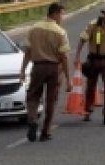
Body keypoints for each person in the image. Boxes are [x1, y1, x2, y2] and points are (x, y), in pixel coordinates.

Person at [20, 2, 71, 142]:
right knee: (51, 100)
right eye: (62, 14)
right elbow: (64, 57)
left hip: (38, 67)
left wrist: (23, 70)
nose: (63, 17)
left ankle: (32, 119)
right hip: (54, 69)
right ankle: (45, 132)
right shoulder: (60, 32)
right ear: (55, 14)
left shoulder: (34, 28)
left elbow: (28, 52)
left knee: (33, 96)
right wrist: (68, 79)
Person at [74, 4, 105, 124]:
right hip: (93, 60)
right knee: (91, 87)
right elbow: (82, 39)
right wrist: (77, 56)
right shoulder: (93, 24)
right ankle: (87, 110)